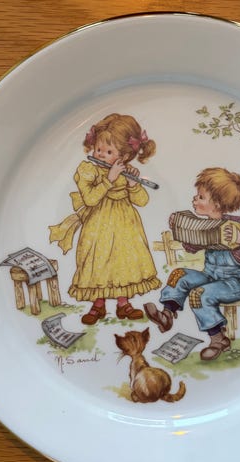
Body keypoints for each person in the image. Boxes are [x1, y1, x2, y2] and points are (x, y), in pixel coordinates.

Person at [144, 167, 240, 361]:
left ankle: (218, 340)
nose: (195, 199)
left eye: (201, 197)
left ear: (216, 204)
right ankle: (167, 315)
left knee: (199, 294)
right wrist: (179, 229)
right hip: (211, 277)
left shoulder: (237, 224)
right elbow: (192, 248)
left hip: (234, 283)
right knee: (179, 275)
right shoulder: (203, 225)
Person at [50, 113, 161, 324]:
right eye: (98, 149)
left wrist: (133, 184)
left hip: (125, 224)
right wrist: (109, 179)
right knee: (98, 261)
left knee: (123, 261)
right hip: (98, 223)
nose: (100, 155)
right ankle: (97, 306)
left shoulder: (126, 171)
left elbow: (142, 201)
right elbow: (90, 199)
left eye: (109, 152)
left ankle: (123, 304)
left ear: (124, 156)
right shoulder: (88, 169)